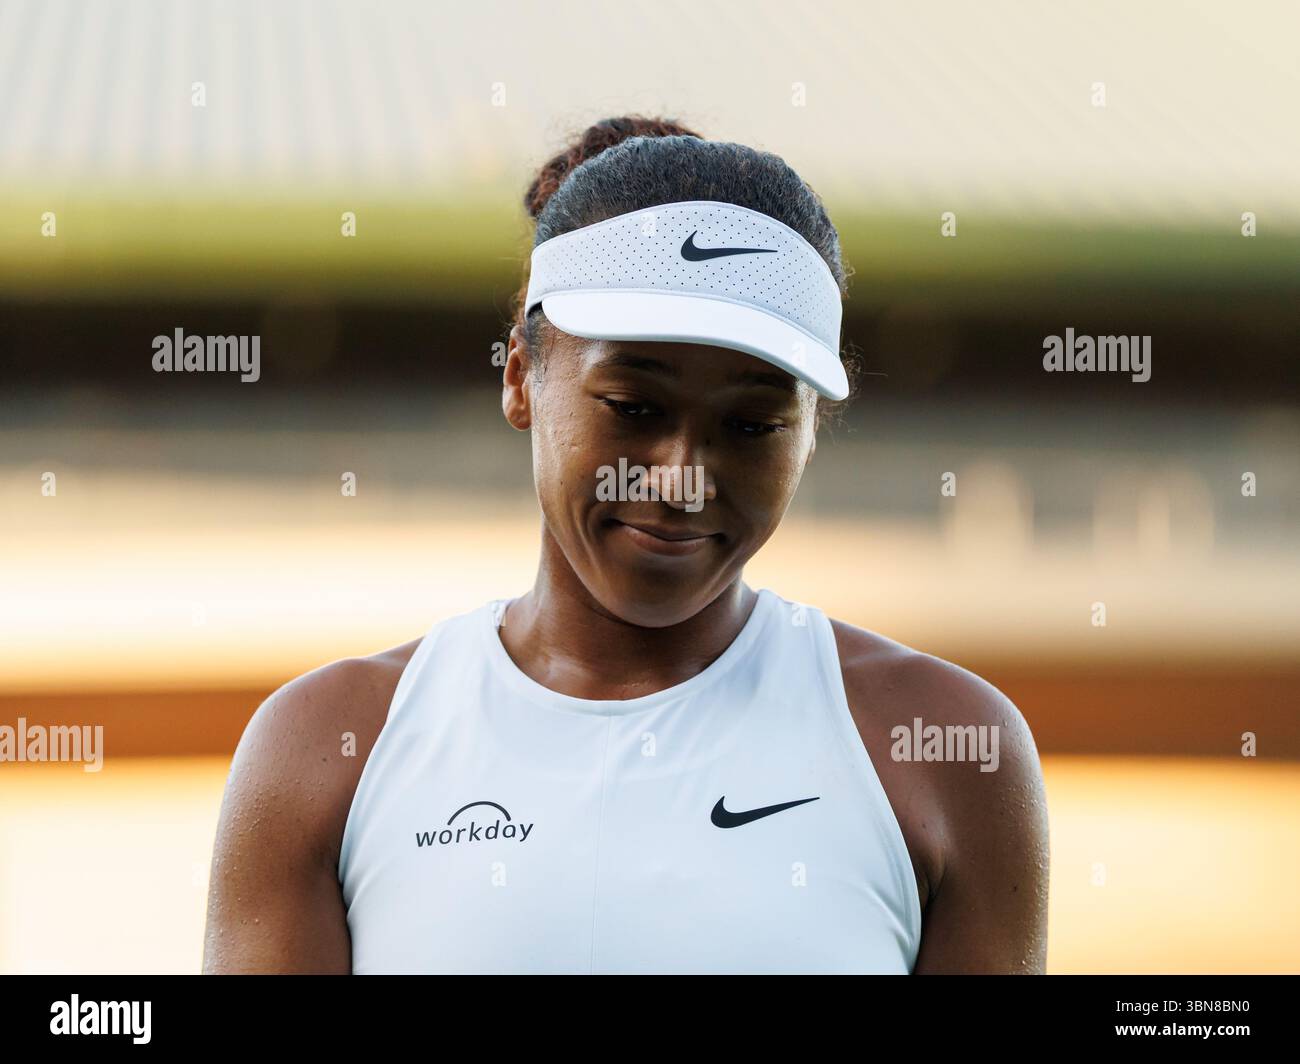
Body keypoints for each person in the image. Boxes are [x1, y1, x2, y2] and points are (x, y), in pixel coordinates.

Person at [202, 115, 1049, 975]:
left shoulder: (945, 751)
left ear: (810, 433)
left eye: (751, 424)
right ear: (519, 376)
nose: (682, 476)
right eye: (634, 407)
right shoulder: (324, 754)